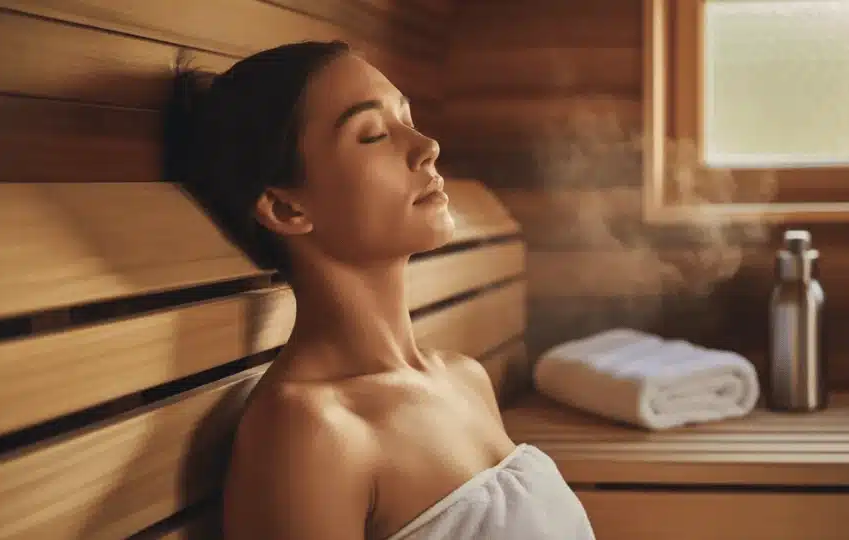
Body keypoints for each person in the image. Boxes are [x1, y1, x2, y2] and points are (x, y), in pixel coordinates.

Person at [163, 40, 595, 540]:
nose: (427, 145)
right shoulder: (310, 431)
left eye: (407, 118)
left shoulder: (464, 378)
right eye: (372, 134)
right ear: (286, 209)